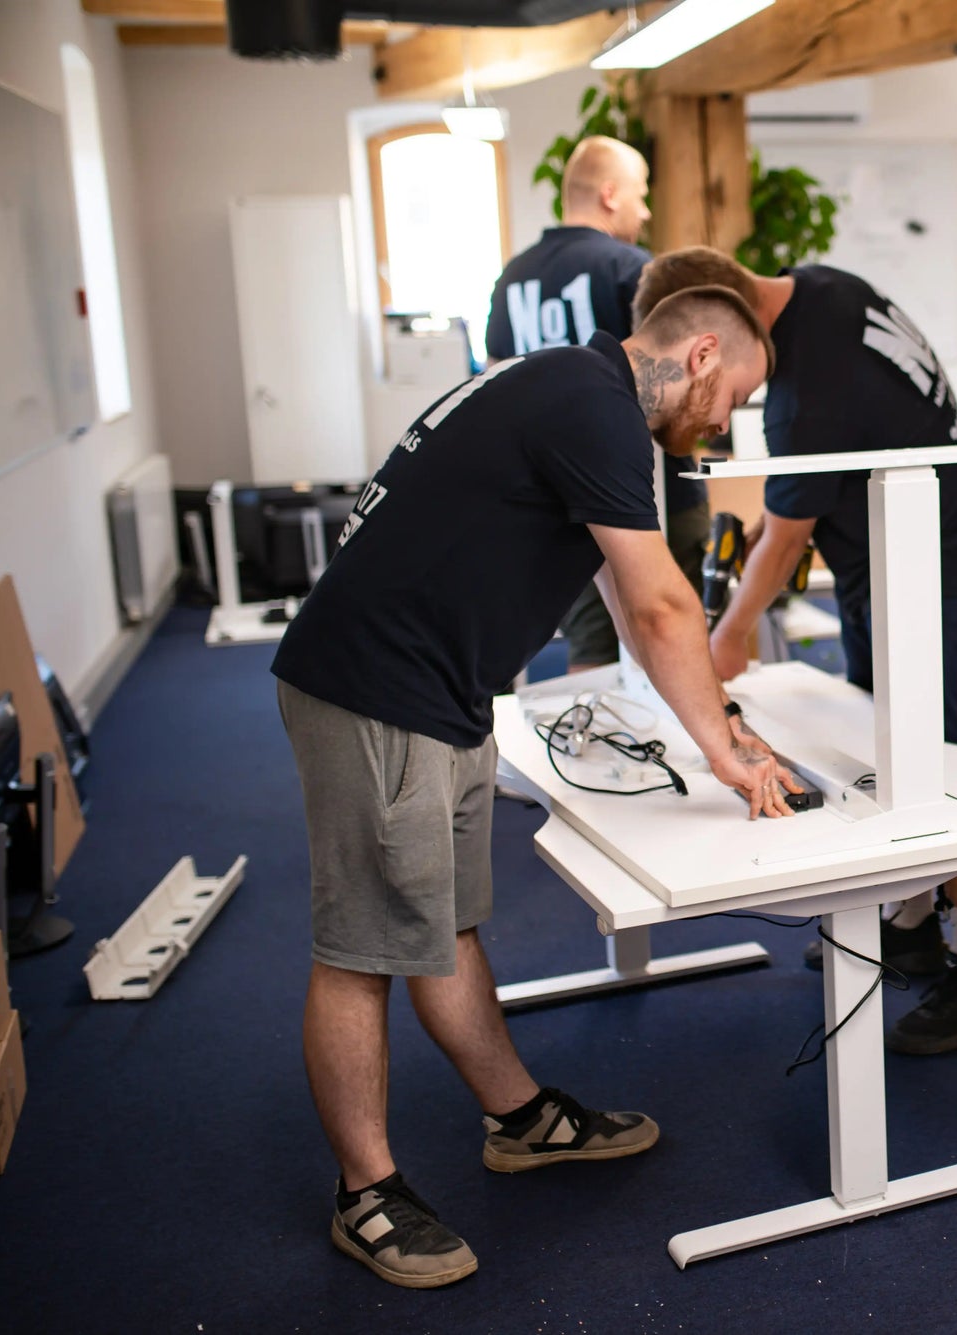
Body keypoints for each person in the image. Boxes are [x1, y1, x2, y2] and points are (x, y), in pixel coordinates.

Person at [272, 285, 803, 1289]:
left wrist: (715, 726)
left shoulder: (577, 387)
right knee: (362, 948)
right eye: (731, 394)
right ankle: (365, 1193)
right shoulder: (595, 408)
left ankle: (518, 1120)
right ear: (698, 355)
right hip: (375, 687)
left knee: (447, 922)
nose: (725, 421)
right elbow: (654, 603)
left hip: (439, 686)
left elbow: (617, 583)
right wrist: (725, 758)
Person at [635, 246, 957, 1056]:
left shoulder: (805, 392)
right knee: (886, 742)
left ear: (713, 325)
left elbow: (781, 540)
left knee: (938, 762)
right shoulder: (827, 283)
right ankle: (910, 924)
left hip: (942, 558)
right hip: (879, 556)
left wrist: (728, 635)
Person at [482, 134, 712, 669]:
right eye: (641, 193)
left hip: (553, 498)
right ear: (611, 194)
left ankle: (596, 747)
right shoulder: (630, 268)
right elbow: (678, 379)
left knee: (592, 639)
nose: (646, 208)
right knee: (673, 628)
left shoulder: (512, 276)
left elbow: (495, 385)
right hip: (648, 491)